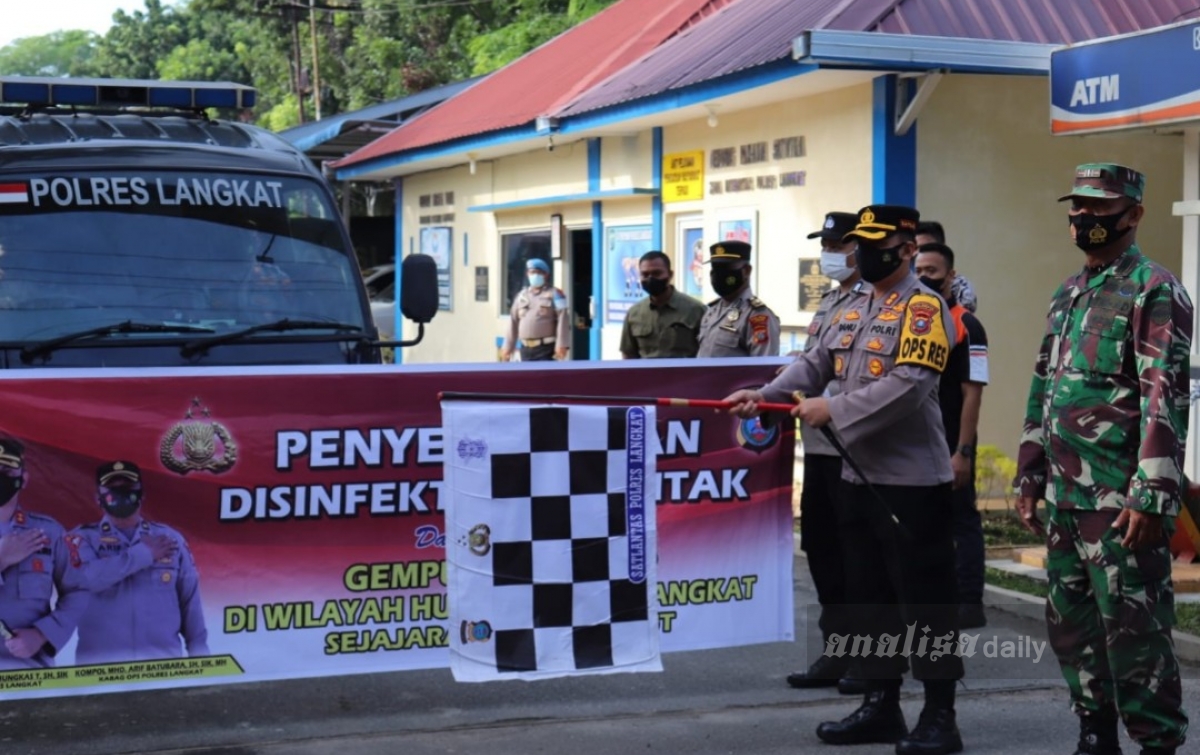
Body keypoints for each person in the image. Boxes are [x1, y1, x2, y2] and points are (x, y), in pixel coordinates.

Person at [725, 205, 964, 754]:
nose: (863, 251)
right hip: (854, 477)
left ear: (906, 248)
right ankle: (881, 705)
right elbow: (813, 364)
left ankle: (940, 716)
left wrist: (837, 412)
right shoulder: (850, 305)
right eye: (860, 242)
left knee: (924, 600)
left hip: (909, 484)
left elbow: (910, 385)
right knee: (868, 597)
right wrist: (767, 396)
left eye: (876, 243)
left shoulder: (926, 309)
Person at [1015, 163, 1190, 755]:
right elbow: (1045, 383)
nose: (1086, 217)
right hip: (1067, 497)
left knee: (1134, 635)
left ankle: (1157, 743)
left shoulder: (1153, 288)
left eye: (1101, 206)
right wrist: (1030, 470)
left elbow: (1165, 394)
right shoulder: (1069, 291)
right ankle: (1095, 736)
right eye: (1079, 207)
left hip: (1120, 500)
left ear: (1134, 213)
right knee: (1073, 630)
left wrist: (1153, 492)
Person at [785, 211, 866, 695]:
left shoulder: (882, 302)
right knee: (821, 549)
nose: (830, 253)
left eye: (839, 245)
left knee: (860, 556)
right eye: (828, 244)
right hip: (817, 446)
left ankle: (869, 658)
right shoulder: (830, 302)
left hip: (855, 448)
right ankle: (835, 652)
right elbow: (811, 364)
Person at [66, 461, 209, 664]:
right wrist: (144, 555)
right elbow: (87, 580)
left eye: (128, 487)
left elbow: (190, 603)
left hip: (162, 666)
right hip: (100, 670)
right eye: (112, 488)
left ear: (142, 493)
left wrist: (201, 657)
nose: (120, 493)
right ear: (98, 498)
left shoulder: (169, 538)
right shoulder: (81, 539)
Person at [915, 242, 990, 630]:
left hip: (953, 441)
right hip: (917, 444)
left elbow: (972, 392)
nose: (925, 277)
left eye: (933, 270)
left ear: (952, 275)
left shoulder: (968, 326)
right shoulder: (915, 321)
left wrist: (963, 450)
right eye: (919, 269)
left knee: (961, 519)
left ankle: (969, 602)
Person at [0, 437, 88, 669]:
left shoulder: (48, 531)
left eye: (6, 470)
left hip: (30, 674)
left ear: (24, 479)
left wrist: (42, 635)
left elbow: (79, 590)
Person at [696, 241, 780, 357]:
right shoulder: (711, 312)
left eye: (726, 267)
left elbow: (762, 369)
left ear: (746, 271)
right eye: (716, 268)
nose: (719, 274)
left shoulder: (757, 317)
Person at [619, 251, 706, 359]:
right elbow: (628, 354)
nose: (650, 279)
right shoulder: (634, 313)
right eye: (645, 274)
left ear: (670, 275)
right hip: (647, 375)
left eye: (657, 273)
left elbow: (706, 352)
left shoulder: (696, 310)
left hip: (684, 375)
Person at [500, 258, 570, 362]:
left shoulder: (555, 294)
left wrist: (561, 344)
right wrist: (507, 346)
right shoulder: (521, 296)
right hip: (525, 349)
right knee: (527, 378)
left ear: (545, 275)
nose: (534, 275)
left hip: (546, 349)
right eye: (531, 272)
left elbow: (563, 319)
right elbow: (513, 322)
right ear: (527, 274)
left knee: (545, 378)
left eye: (538, 273)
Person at [915, 221, 978, 314]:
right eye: (915, 248)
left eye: (927, 247)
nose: (919, 253)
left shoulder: (962, 289)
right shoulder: (905, 281)